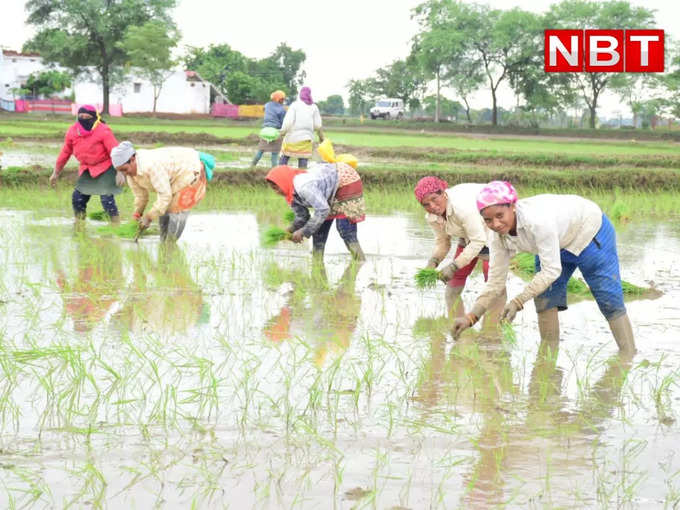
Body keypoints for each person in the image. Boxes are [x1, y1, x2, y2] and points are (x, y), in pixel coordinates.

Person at [452, 181, 636, 356]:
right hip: (553, 242)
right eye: (488, 220)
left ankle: (628, 355)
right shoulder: (497, 237)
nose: (496, 224)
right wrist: (471, 318)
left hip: (588, 232)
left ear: (513, 206)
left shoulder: (537, 222)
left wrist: (518, 301)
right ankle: (547, 359)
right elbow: (495, 282)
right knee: (545, 298)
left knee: (608, 298)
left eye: (500, 216)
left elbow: (551, 271)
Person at [414, 176, 503, 318]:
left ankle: (492, 332)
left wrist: (453, 266)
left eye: (434, 199)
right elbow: (443, 242)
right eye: (426, 204)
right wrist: (433, 262)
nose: (432, 207)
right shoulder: (432, 217)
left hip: (494, 225)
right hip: (469, 230)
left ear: (443, 193)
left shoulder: (462, 208)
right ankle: (455, 322)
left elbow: (478, 241)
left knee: (492, 278)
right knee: (455, 277)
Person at [111, 142, 212, 242]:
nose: (124, 174)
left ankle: (170, 245)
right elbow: (141, 197)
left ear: (132, 159)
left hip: (189, 169)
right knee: (164, 210)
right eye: (120, 171)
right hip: (173, 176)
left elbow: (165, 196)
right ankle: (163, 244)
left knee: (176, 210)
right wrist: (137, 215)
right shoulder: (130, 174)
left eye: (124, 169)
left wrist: (148, 217)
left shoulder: (150, 166)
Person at [265, 162, 366, 260]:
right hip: (328, 188)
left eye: (276, 188)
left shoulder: (304, 187)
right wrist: (289, 231)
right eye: (273, 189)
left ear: (283, 181)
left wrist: (303, 232)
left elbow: (323, 210)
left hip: (345, 179)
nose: (277, 192)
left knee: (344, 229)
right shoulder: (290, 194)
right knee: (318, 231)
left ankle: (359, 260)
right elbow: (302, 216)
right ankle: (317, 262)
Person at [51, 105, 124, 223]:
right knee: (78, 198)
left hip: (105, 167)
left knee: (106, 199)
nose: (84, 119)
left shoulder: (103, 130)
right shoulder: (73, 131)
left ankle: (116, 225)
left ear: (95, 118)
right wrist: (56, 172)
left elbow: (115, 151)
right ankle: (79, 225)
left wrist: (119, 171)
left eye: (87, 117)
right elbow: (65, 152)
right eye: (81, 117)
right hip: (87, 169)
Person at [278, 86, 324, 169]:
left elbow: (288, 122)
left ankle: (278, 176)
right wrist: (321, 138)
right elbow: (318, 125)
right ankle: (302, 178)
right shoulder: (314, 107)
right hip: (306, 139)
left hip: (292, 138)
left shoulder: (295, 105)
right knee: (303, 159)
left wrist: (282, 132)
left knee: (284, 156)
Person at [251, 90, 287, 168]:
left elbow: (264, 109)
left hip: (265, 131)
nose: (283, 101)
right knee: (274, 154)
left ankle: (251, 166)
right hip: (275, 132)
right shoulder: (282, 109)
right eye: (282, 99)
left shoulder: (267, 105)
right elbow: (283, 123)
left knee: (260, 151)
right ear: (279, 99)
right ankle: (273, 171)